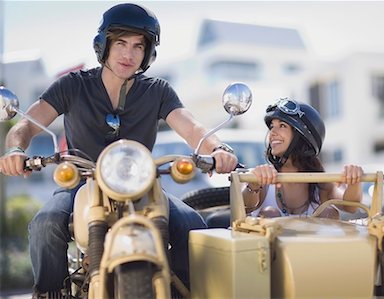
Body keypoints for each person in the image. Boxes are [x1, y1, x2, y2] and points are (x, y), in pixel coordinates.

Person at [0, 3, 237, 297]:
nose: (128, 54)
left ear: (148, 53)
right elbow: (26, 126)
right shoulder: (73, 86)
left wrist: (220, 149)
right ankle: (50, 293)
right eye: (121, 43)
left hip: (142, 186)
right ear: (104, 45)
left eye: (138, 46)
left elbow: (193, 130)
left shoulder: (157, 91)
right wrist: (15, 151)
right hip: (81, 184)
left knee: (193, 226)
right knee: (45, 224)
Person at [243, 98, 364, 218]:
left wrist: (354, 180)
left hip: (315, 238)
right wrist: (253, 185)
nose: (272, 132)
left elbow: (350, 206)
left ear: (302, 136)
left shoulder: (322, 183)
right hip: (267, 238)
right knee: (269, 214)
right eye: (271, 126)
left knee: (329, 213)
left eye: (282, 125)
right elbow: (245, 206)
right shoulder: (263, 178)